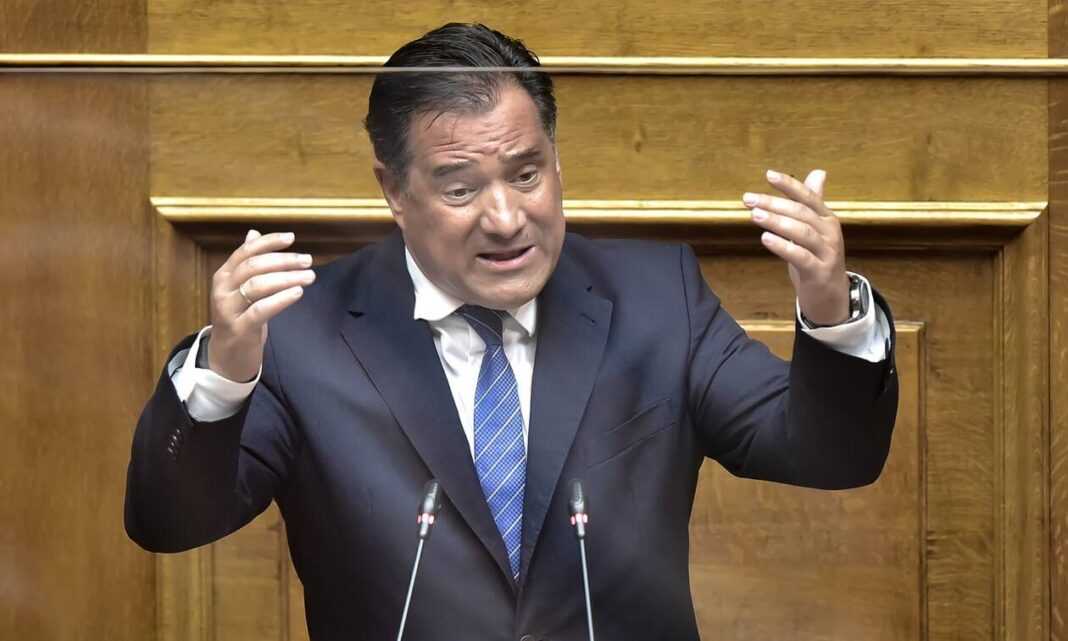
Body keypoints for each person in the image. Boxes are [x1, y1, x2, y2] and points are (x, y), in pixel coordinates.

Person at [125, 23, 898, 641]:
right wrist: (222, 373)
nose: (505, 218)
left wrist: (832, 311)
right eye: (462, 188)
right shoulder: (304, 334)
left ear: (557, 161)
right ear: (394, 190)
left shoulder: (657, 298)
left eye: (527, 174)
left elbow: (829, 454)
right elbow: (169, 521)